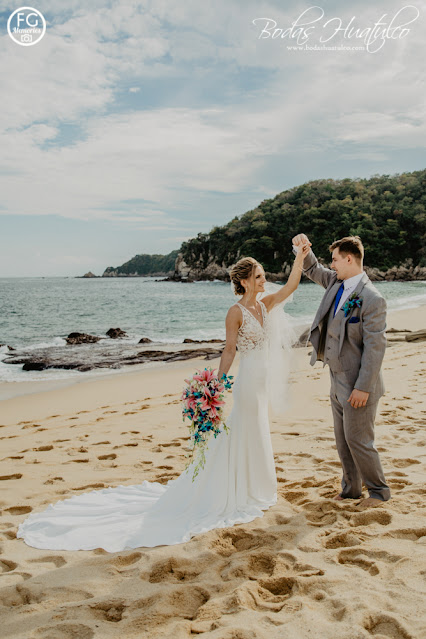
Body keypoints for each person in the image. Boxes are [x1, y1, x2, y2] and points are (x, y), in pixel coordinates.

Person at [16, 243, 310, 552]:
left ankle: (257, 486)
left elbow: (291, 285)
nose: (265, 281)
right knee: (246, 427)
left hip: (263, 380)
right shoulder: (234, 312)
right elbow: (229, 350)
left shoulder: (265, 304)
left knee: (258, 428)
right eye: (260, 276)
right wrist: (218, 383)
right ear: (246, 280)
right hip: (249, 380)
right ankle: (239, 488)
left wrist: (299, 258)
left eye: (263, 275)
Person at [292, 234, 390, 507]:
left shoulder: (372, 298)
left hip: (359, 383)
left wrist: (363, 387)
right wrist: (302, 248)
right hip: (335, 378)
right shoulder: (336, 282)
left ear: (349, 259)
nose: (331, 265)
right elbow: (311, 268)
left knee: (359, 440)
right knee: (343, 440)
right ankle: (351, 490)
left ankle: (379, 493)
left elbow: (375, 348)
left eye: (334, 260)